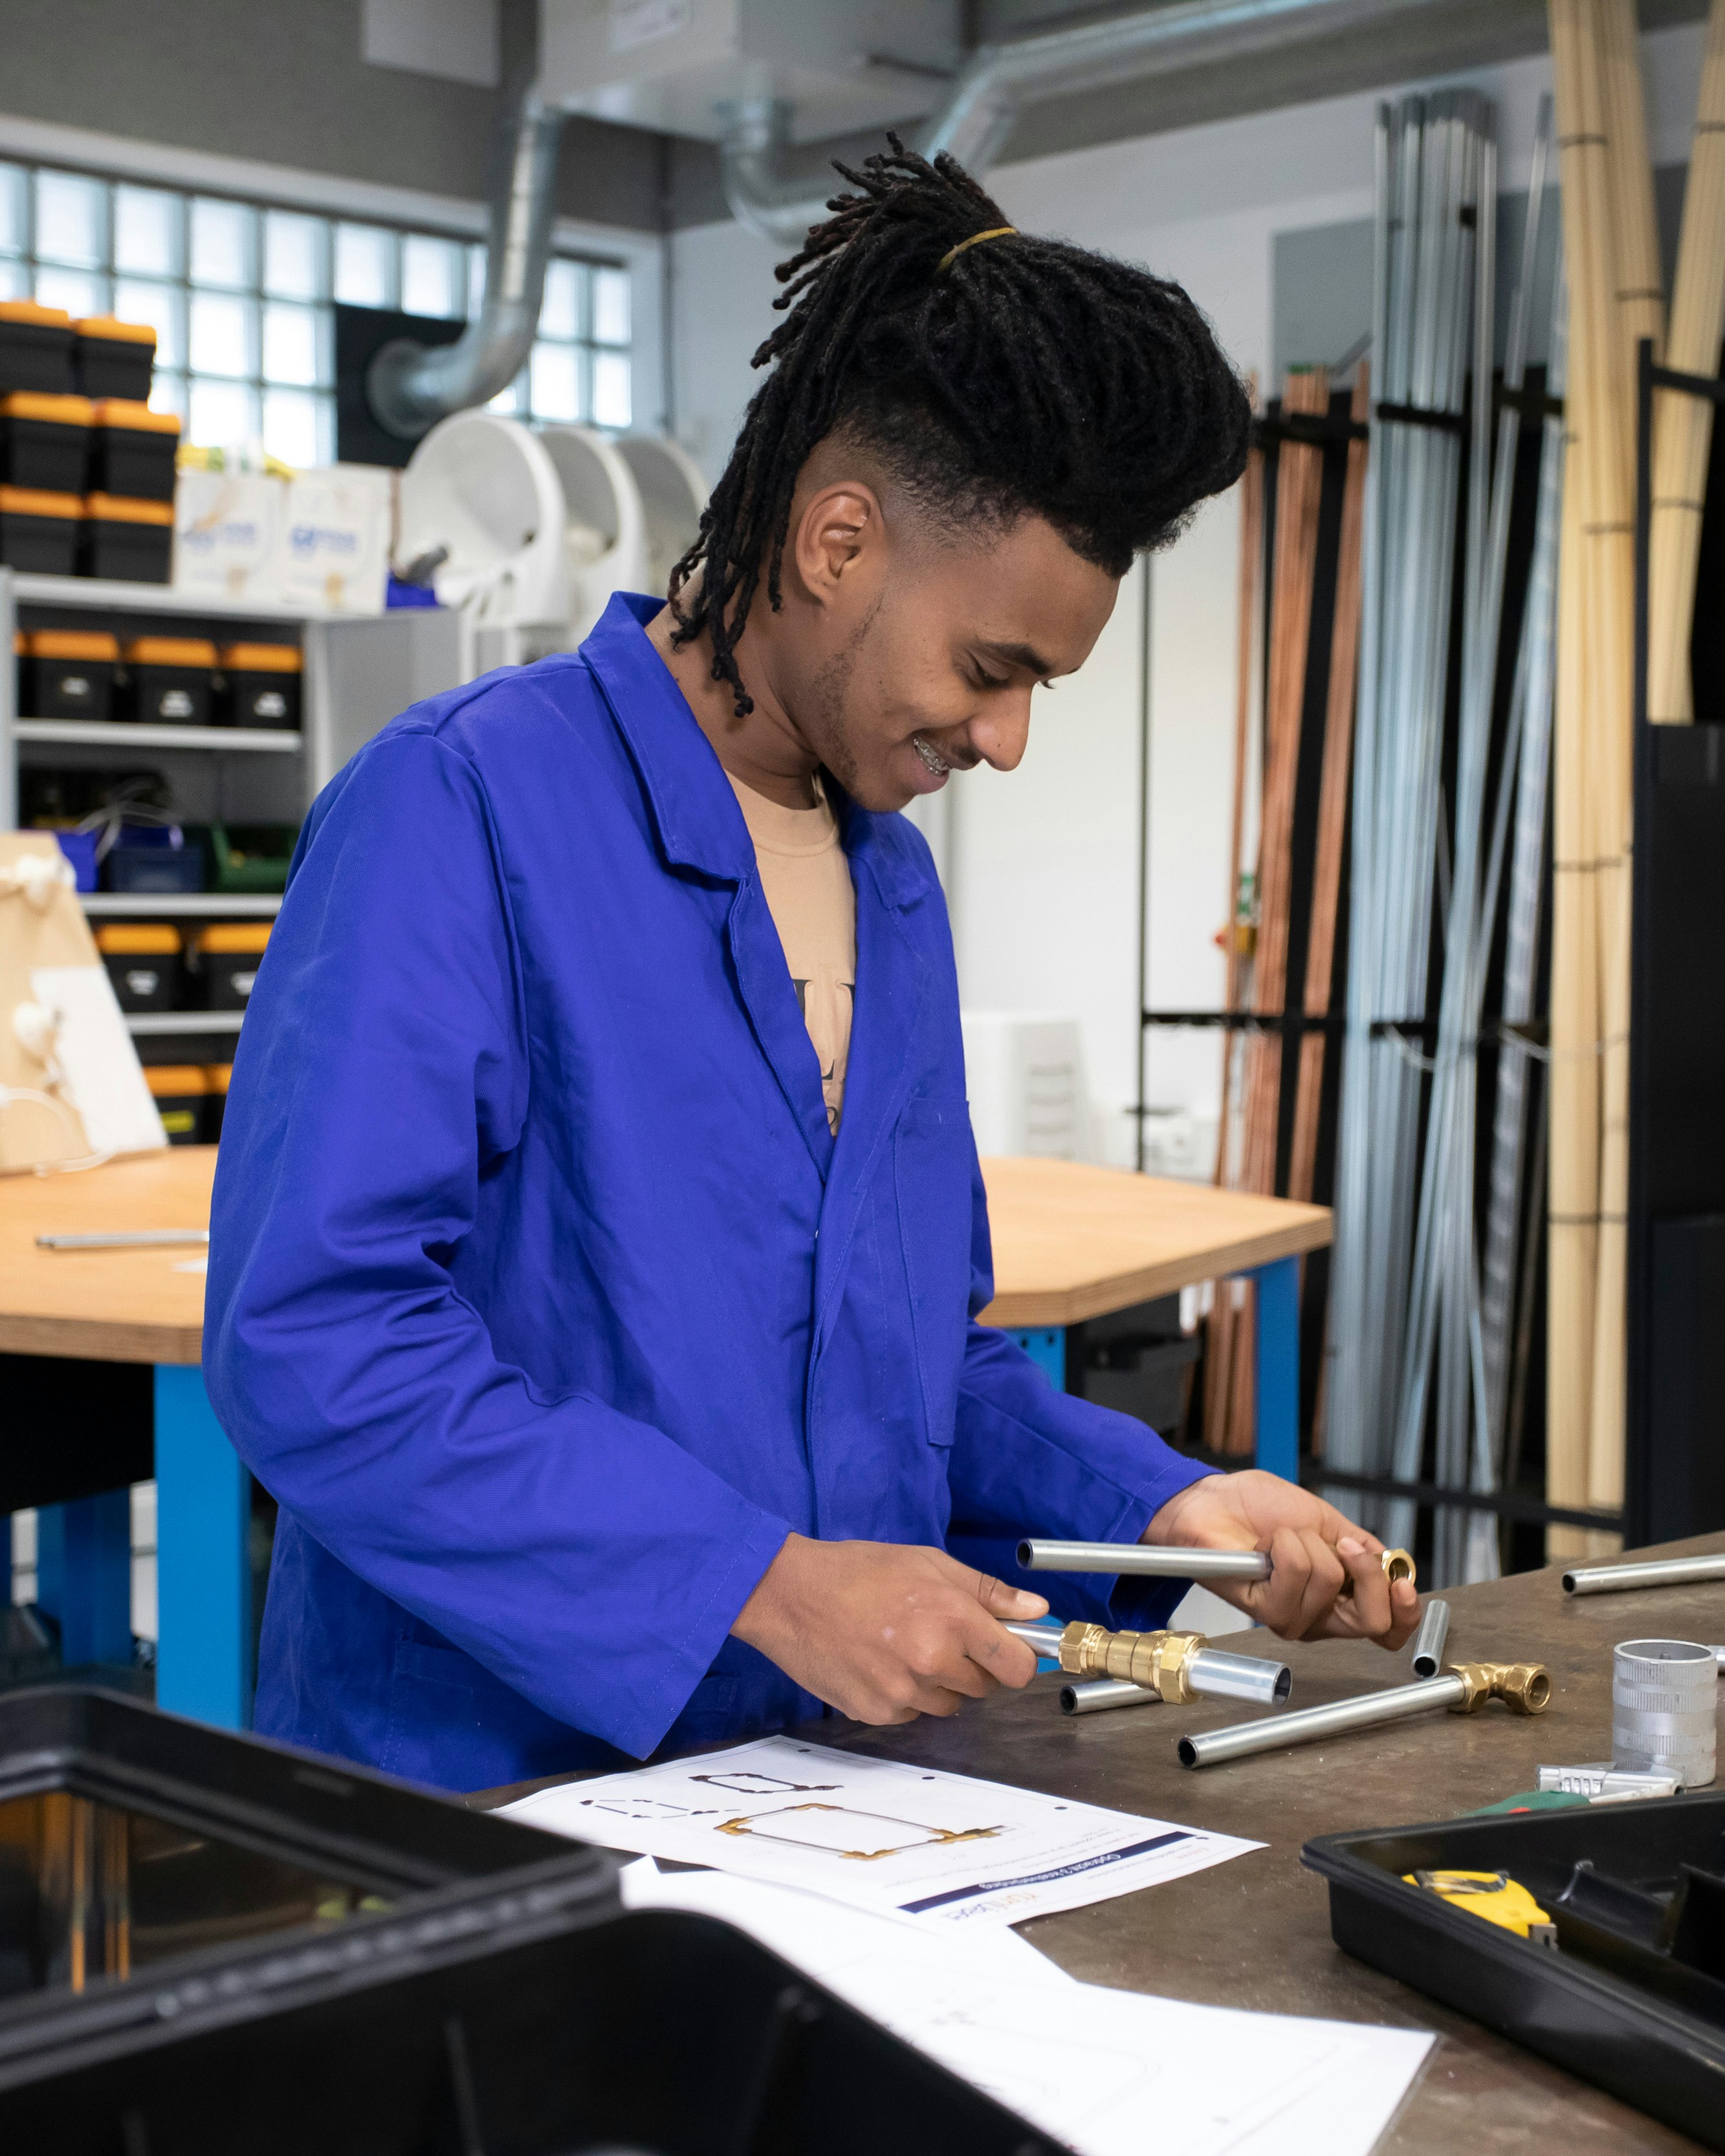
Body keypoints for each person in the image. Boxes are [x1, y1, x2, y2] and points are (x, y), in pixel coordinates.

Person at [205, 144, 1416, 1794]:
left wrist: (1156, 1502)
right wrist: (760, 1584)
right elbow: (320, 1343)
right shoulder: (461, 806)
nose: (1005, 736)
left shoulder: (889, 887)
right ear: (839, 538)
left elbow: (925, 1366)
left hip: (825, 1799)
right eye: (992, 668)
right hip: (485, 1799)